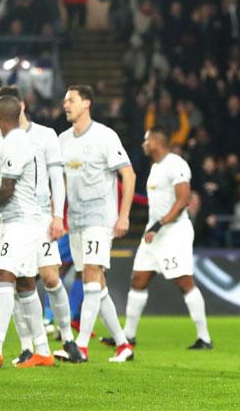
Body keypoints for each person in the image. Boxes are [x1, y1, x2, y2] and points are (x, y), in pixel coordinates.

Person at [99, 126, 213, 350]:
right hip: (154, 234)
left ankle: (205, 338)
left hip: (174, 232)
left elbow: (183, 201)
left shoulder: (176, 164)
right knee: (138, 280)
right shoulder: (155, 168)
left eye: (146, 139)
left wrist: (159, 225)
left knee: (184, 282)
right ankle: (128, 336)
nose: (144, 143)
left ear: (156, 142)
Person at [0, 86, 82, 363]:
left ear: (20, 106)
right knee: (21, 280)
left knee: (50, 277)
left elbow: (57, 177)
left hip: (42, 218)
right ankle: (28, 347)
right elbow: (2, 183)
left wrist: (57, 217)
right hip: (13, 219)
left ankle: (68, 340)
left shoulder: (45, 135)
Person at [0, 96, 54, 368]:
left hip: (22, 223)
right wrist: (0, 218)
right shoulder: (23, 141)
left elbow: (7, 188)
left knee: (3, 276)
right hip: (25, 220)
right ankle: (42, 350)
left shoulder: (14, 142)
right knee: (25, 284)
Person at [57, 85, 136, 363]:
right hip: (76, 220)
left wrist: (124, 215)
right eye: (65, 100)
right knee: (96, 285)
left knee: (90, 274)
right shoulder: (63, 140)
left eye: (71, 100)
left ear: (87, 103)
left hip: (100, 217)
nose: (66, 104)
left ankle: (80, 346)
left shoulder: (105, 136)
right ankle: (123, 345)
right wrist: (58, 215)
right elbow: (60, 182)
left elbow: (128, 175)